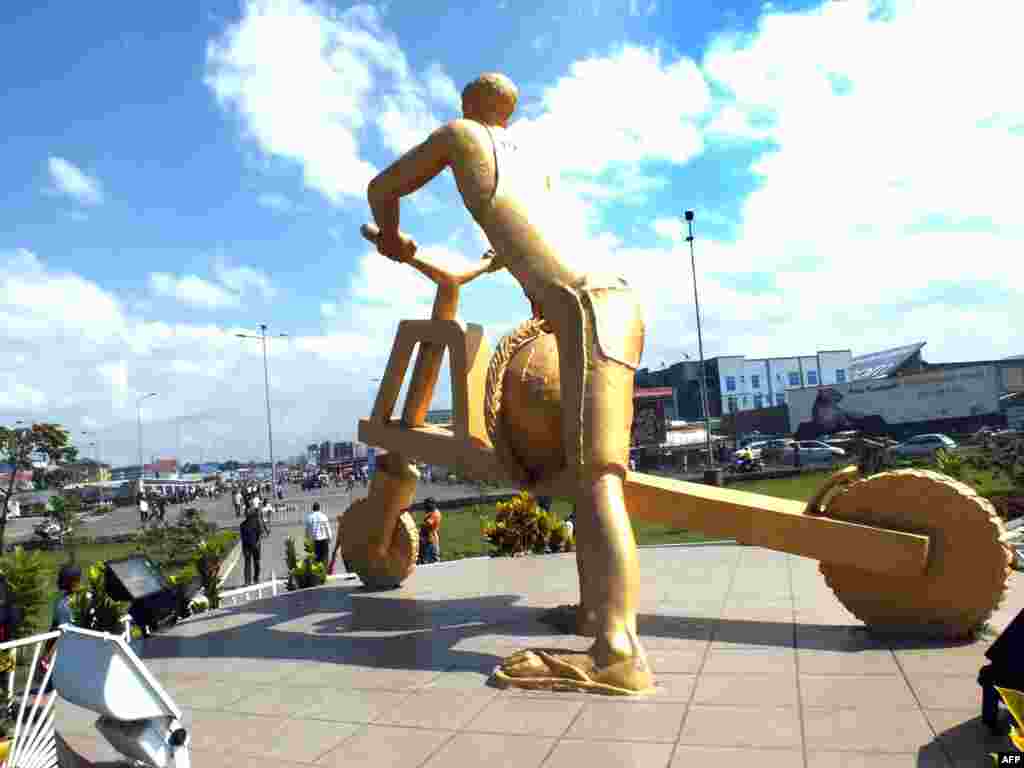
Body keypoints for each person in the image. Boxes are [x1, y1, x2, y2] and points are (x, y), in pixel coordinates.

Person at [367, 72, 650, 693]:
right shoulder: (536, 165)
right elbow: (532, 247)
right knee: (590, 477)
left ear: (471, 106)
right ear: (511, 113)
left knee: (599, 481)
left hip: (581, 308)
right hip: (617, 298)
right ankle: (595, 614)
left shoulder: (462, 136)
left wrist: (391, 238)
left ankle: (617, 652)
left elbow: (381, 187)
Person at [240, 507, 265, 586]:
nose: (246, 514)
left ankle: (256, 578)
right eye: (245, 513)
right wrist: (243, 549)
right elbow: (242, 538)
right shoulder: (242, 525)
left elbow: (260, 533)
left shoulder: (256, 522)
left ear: (250, 513)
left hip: (256, 546)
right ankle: (247, 581)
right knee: (247, 563)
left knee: (256, 562)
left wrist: (258, 543)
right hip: (247, 547)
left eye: (247, 512)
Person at [305, 501, 332, 567]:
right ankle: (324, 571)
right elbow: (327, 528)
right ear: (319, 508)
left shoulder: (309, 517)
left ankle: (317, 573)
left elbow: (307, 531)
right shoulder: (324, 516)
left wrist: (308, 540)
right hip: (324, 540)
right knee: (325, 557)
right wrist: (330, 538)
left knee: (316, 558)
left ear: (313, 509)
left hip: (315, 541)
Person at [417, 500, 442, 565]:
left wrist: (420, 526)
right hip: (429, 539)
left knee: (432, 559)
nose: (425, 507)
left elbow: (428, 523)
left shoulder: (434, 514)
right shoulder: (433, 512)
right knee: (425, 558)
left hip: (430, 540)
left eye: (426, 505)